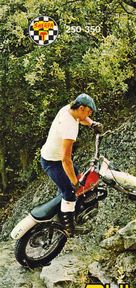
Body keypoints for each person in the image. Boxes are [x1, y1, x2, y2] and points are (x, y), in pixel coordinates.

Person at [40, 93, 103, 237]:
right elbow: (65, 159)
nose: (89, 115)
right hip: (52, 162)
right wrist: (75, 182)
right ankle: (68, 228)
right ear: (81, 108)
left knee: (75, 180)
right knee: (70, 191)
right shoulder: (70, 128)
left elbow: (82, 119)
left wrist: (92, 123)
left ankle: (64, 210)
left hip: (53, 156)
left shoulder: (68, 109)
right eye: (89, 112)